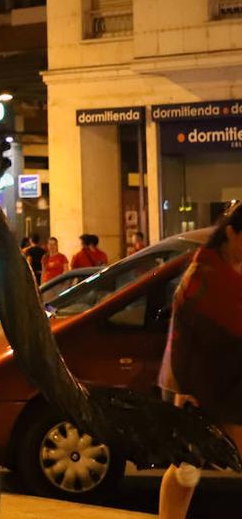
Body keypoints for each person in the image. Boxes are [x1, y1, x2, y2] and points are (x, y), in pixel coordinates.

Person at [157, 203, 242, 519]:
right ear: (231, 232)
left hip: (232, 378)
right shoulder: (203, 274)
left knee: (187, 465)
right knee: (185, 466)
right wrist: (183, 389)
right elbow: (183, 336)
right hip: (208, 382)